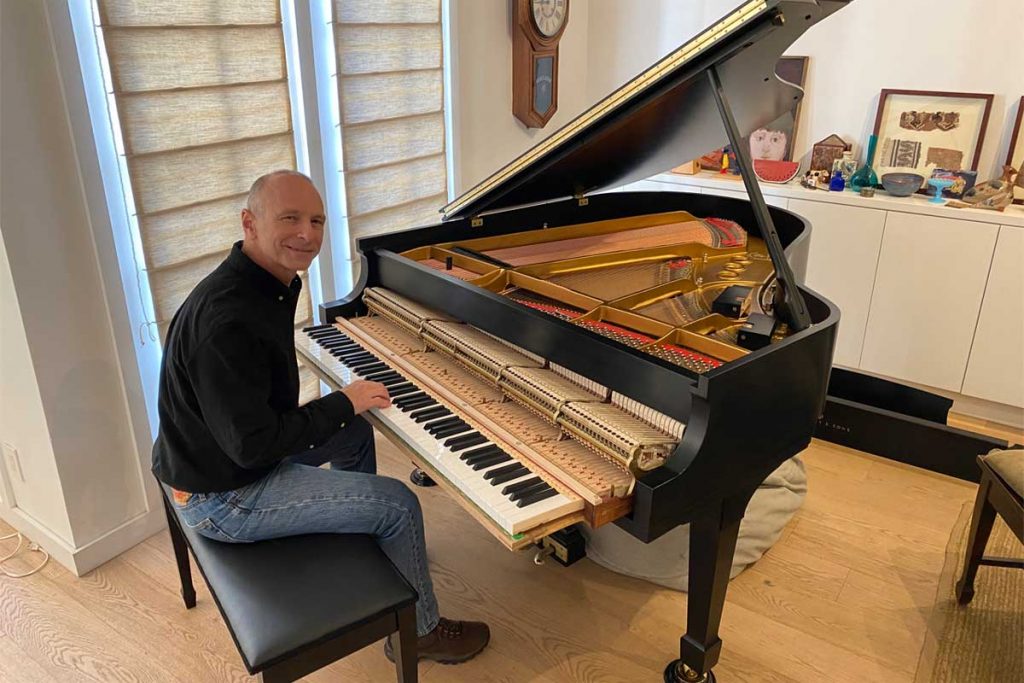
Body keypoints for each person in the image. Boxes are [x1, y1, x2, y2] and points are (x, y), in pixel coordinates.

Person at [151, 169, 490, 664]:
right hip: (223, 496)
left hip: (213, 457)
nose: (307, 234)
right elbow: (255, 446)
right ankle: (419, 632)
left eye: (317, 220)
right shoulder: (228, 321)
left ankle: (372, 545)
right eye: (290, 218)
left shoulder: (259, 283)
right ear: (250, 222)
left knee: (352, 433)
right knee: (399, 504)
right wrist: (343, 399)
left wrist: (343, 408)